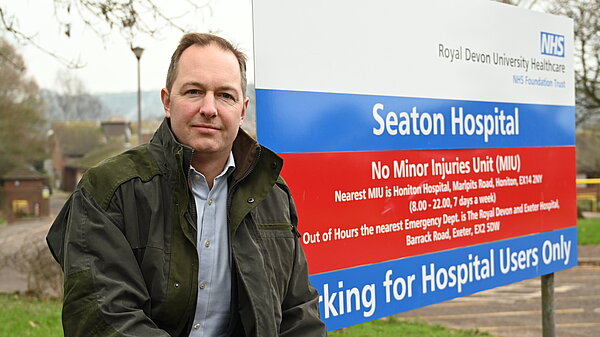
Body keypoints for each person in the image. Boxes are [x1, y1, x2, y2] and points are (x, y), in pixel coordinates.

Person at [46, 32, 326, 337]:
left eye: (225, 95)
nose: (209, 108)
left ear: (242, 110)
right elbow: (102, 318)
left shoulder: (272, 195)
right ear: (168, 101)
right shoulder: (110, 190)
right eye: (194, 91)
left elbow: (299, 312)